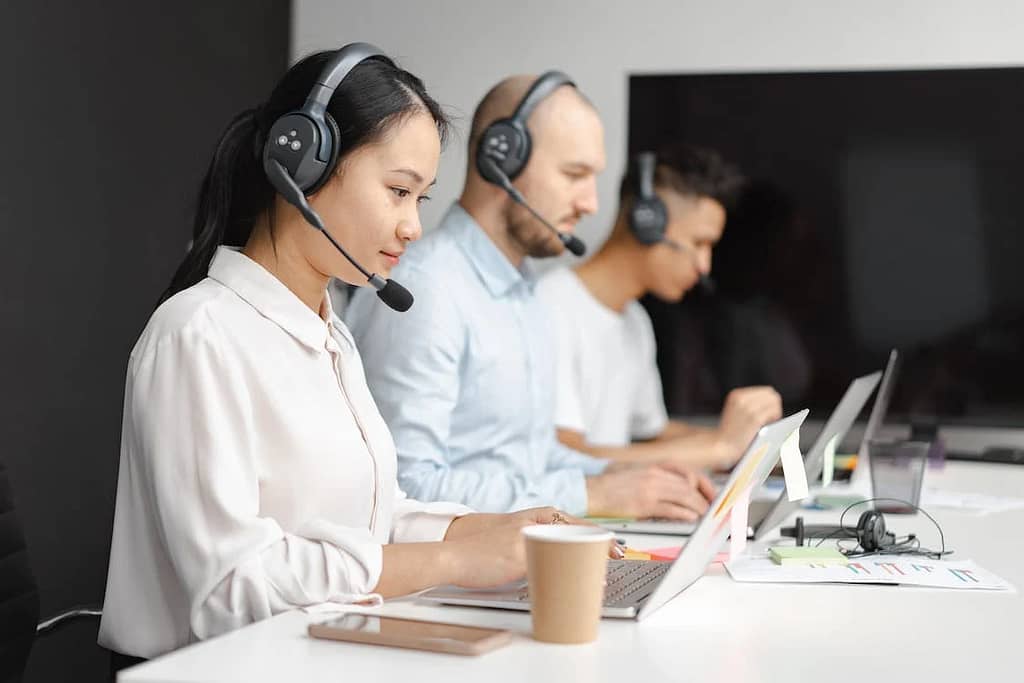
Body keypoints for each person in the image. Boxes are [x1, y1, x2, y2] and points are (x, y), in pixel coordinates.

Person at [98, 46, 594, 662]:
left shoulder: (331, 334)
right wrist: (451, 559)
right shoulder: (198, 334)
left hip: (316, 657)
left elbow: (370, 521)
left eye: (421, 199)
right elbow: (231, 588)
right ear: (300, 164)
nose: (413, 225)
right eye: (397, 191)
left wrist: (490, 530)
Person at [346, 73, 715, 521]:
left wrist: (629, 476)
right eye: (574, 174)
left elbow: (533, 459)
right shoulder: (428, 291)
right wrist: (591, 496)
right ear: (502, 156)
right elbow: (404, 486)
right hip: (443, 583)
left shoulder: (525, 293)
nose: (591, 203)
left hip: (515, 562)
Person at [537, 145, 782, 470]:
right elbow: (567, 457)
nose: (704, 266)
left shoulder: (635, 320)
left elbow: (653, 434)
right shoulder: (551, 305)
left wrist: (746, 441)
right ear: (646, 221)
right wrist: (718, 449)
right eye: (699, 243)